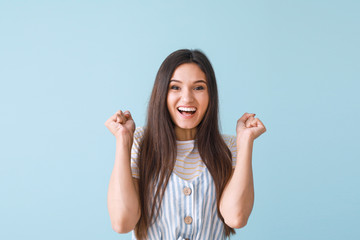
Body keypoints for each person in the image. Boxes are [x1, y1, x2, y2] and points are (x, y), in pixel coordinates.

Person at [104, 49, 266, 240]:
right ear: (162, 93)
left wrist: (245, 142)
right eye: (175, 87)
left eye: (199, 88)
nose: (187, 98)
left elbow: (236, 217)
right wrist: (123, 140)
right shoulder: (140, 142)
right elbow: (122, 222)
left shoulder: (229, 147)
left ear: (211, 96)